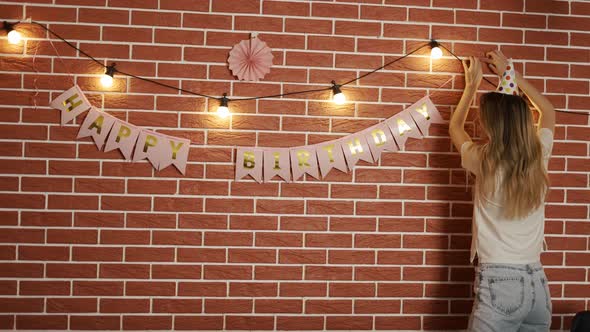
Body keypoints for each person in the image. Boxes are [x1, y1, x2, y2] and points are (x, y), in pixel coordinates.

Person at [449, 50, 556, 332]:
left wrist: (471, 86)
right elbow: (548, 111)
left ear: (491, 124)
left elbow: (455, 128)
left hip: (500, 283)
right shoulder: (539, 157)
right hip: (537, 285)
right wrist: (511, 74)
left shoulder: (484, 160)